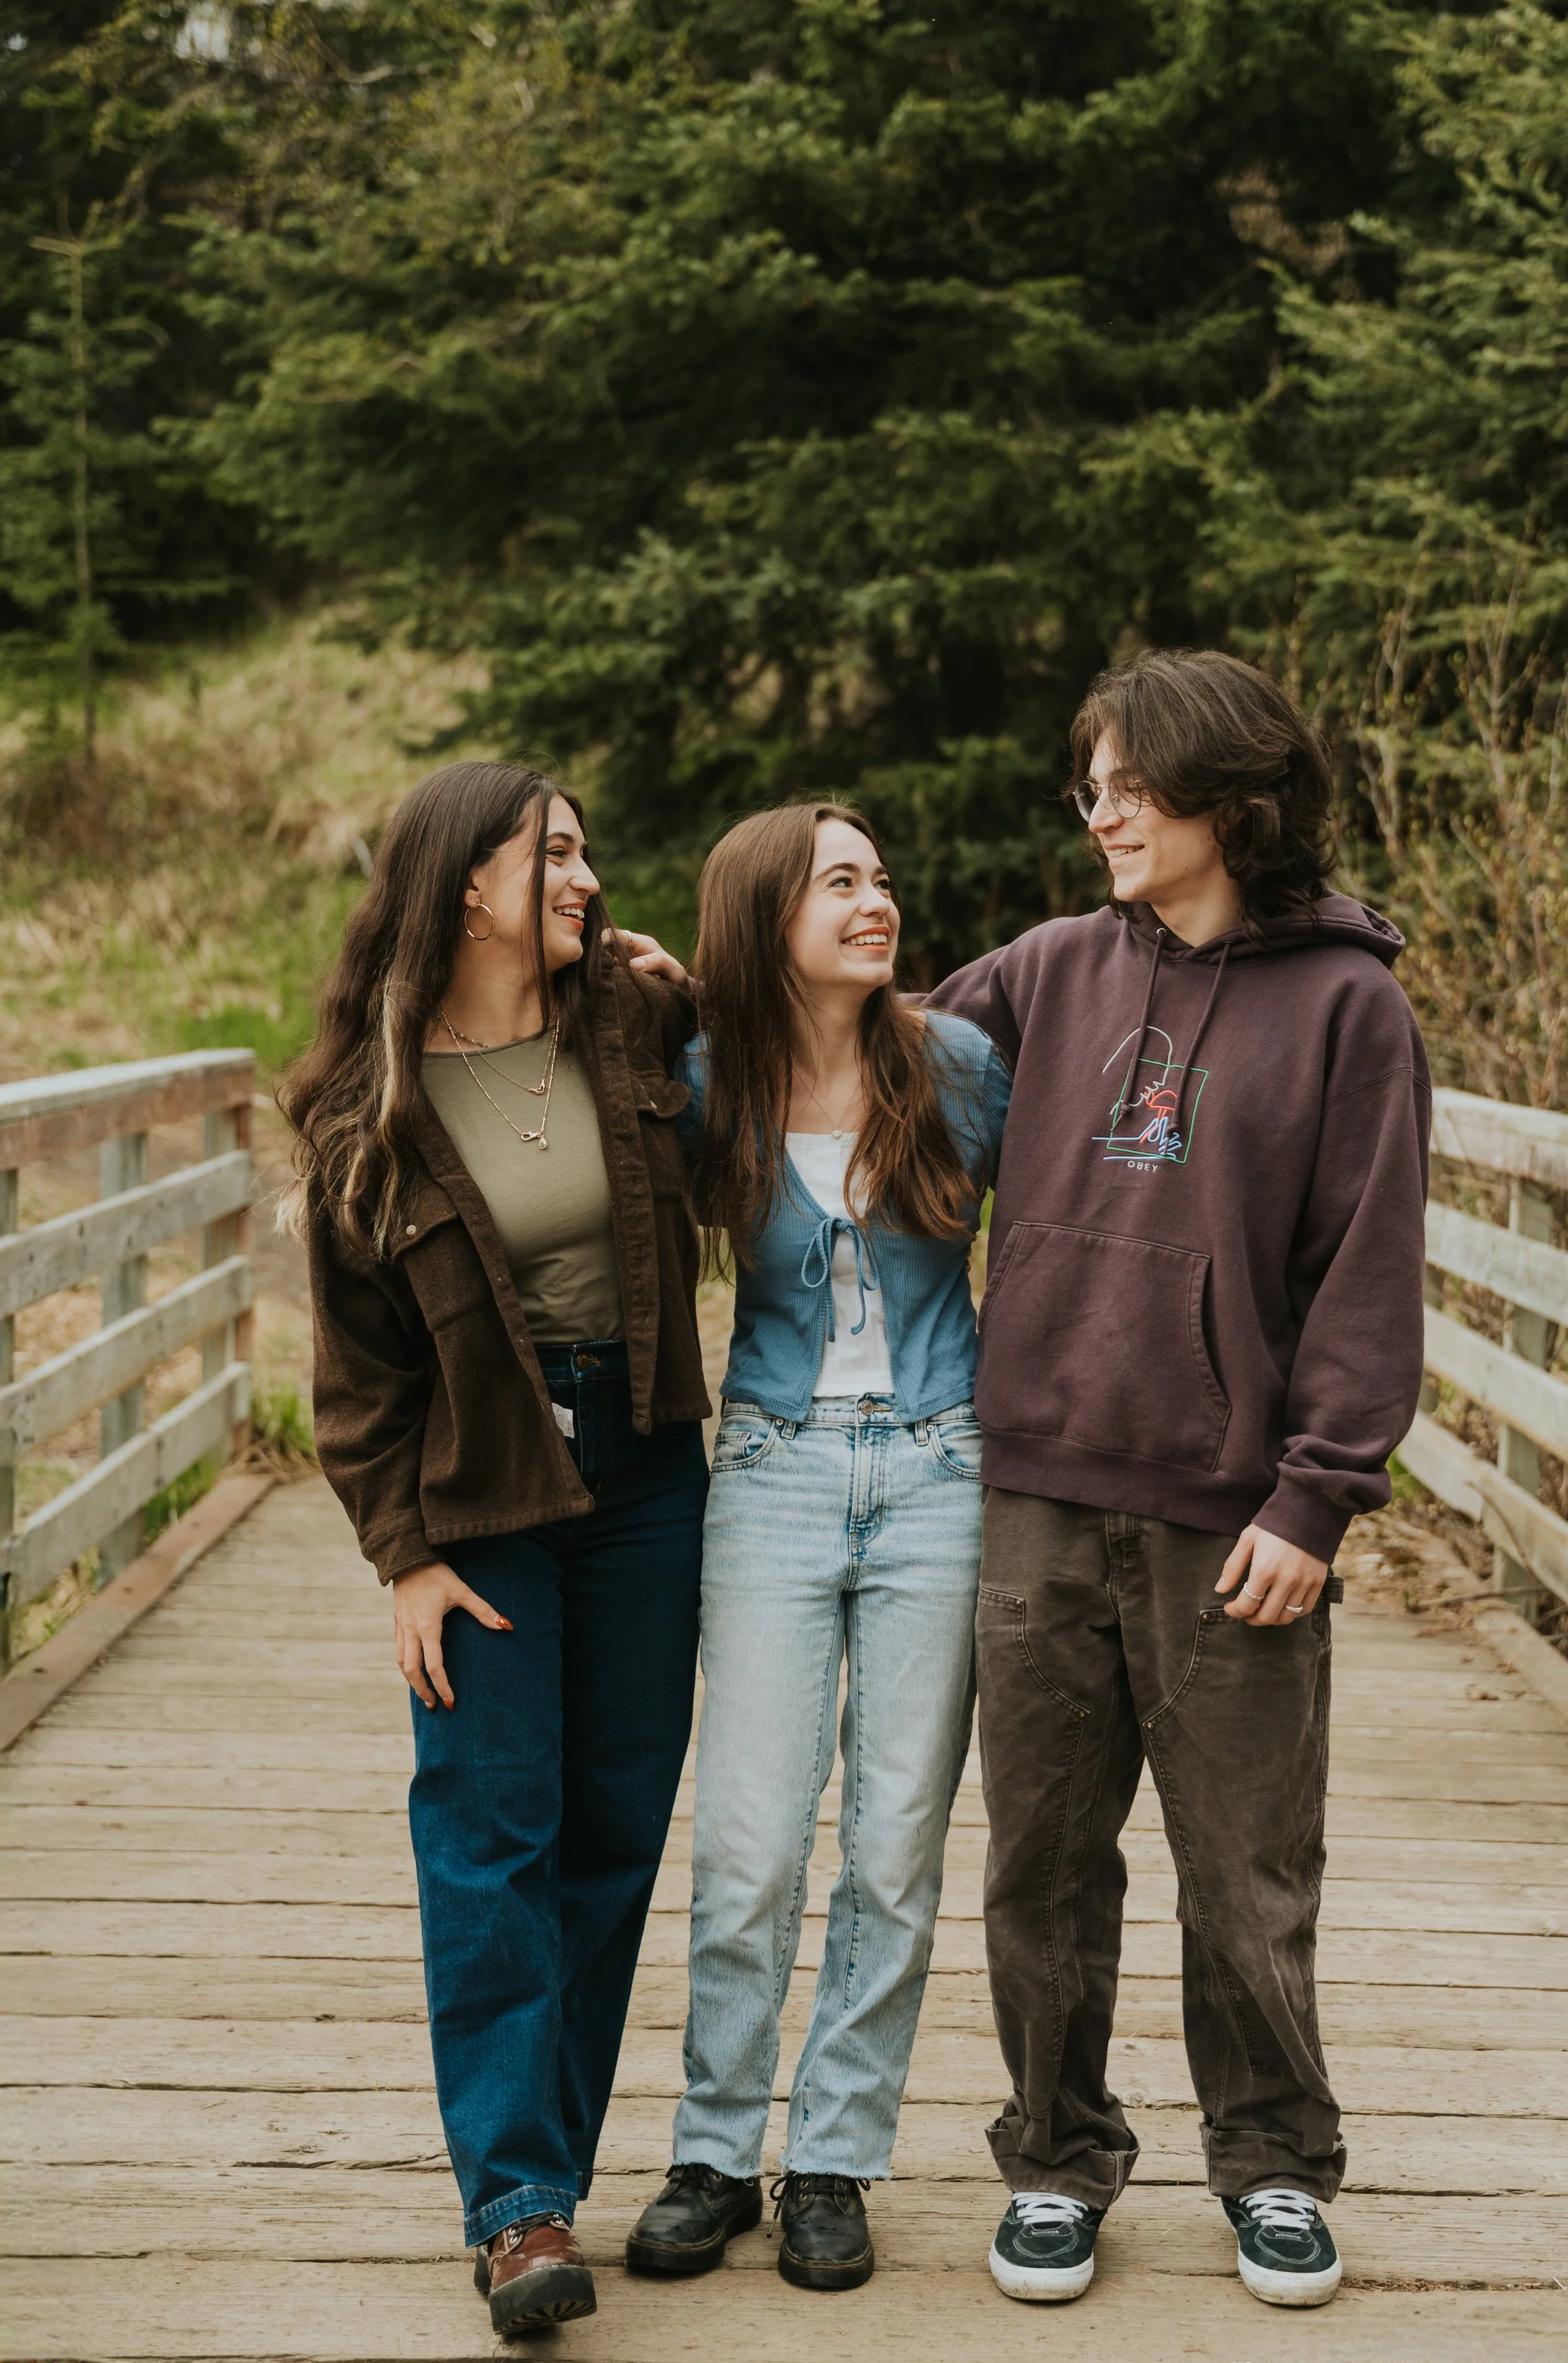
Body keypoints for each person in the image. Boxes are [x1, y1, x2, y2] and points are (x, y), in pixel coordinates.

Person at [930, 650, 1432, 2310]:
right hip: (1037, 1489)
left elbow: (1367, 1269)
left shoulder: (1352, 1008)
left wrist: (1315, 1496)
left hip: (1233, 1516)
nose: (1100, 812)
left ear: (1232, 795)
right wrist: (682, 996)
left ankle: (1274, 2162)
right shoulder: (1050, 969)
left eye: (1131, 784)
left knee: (1246, 1868)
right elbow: (869, 1075)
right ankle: (1057, 2160)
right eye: (1089, 783)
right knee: (1041, 1865)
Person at [281, 763, 711, 2339]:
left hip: (650, 1472)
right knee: (486, 1832)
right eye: (562, 854)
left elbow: (807, 1080)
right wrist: (400, 1551)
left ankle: (546, 2172)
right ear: (472, 884)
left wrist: (703, 996)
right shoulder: (363, 1104)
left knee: (609, 1825)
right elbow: (357, 1373)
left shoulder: (629, 1025)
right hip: (483, 1490)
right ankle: (517, 2208)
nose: (591, 877)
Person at [619, 803, 1011, 2294]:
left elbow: (1065, 1235)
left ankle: (834, 2157)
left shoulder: (958, 1067)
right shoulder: (704, 1077)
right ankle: (715, 2149)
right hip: (769, 1473)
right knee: (748, 1842)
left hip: (942, 1470)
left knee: (897, 1843)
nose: (877, 902)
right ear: (764, 912)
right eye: (839, 882)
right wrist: (645, 990)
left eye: (883, 880)